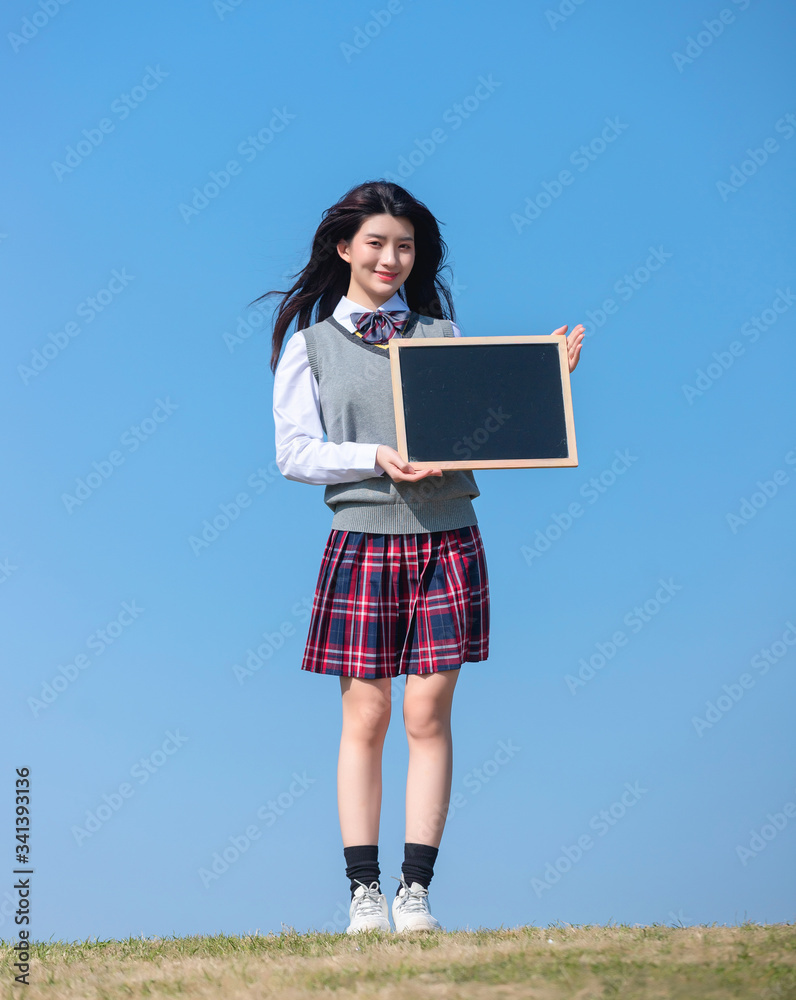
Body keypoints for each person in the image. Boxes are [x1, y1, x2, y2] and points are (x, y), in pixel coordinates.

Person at [258, 179, 584, 935]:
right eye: (376, 242)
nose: (391, 258)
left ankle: (416, 893)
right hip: (364, 540)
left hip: (447, 538)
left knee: (429, 711)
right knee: (366, 714)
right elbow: (293, 453)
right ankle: (363, 892)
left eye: (404, 246)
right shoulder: (310, 349)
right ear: (344, 247)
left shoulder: (442, 336)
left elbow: (486, 423)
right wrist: (377, 455)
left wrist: (545, 380)